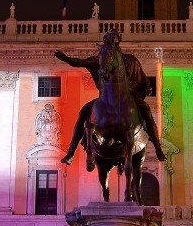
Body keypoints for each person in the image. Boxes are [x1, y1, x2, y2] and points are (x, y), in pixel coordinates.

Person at [54, 29, 166, 168]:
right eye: (108, 38)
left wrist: (146, 87)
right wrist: (65, 58)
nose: (110, 41)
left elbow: (143, 80)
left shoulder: (130, 60)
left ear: (118, 42)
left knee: (146, 110)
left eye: (113, 38)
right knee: (83, 112)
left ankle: (157, 146)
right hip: (105, 99)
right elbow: (80, 62)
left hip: (128, 98)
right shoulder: (100, 59)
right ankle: (71, 152)